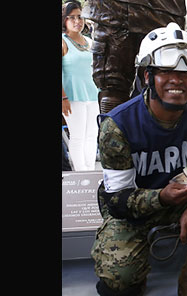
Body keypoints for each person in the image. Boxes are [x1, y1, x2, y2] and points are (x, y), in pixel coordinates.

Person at [90, 22, 187, 296]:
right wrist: (162, 197)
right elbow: (117, 200)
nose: (177, 81)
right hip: (138, 206)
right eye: (167, 72)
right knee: (120, 282)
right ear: (148, 76)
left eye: (186, 74)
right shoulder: (118, 126)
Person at [82, 0, 187, 114]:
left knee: (162, 89)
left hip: (163, 14)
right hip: (112, 13)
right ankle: (112, 139)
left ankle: (161, 141)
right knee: (112, 88)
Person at [62, 1, 100, 171]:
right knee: (77, 137)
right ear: (65, 20)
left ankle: (90, 173)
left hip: (93, 96)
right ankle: (81, 174)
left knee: (93, 135)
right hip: (72, 97)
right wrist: (63, 98)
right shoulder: (62, 42)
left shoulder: (90, 42)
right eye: (72, 17)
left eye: (80, 17)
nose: (77, 21)